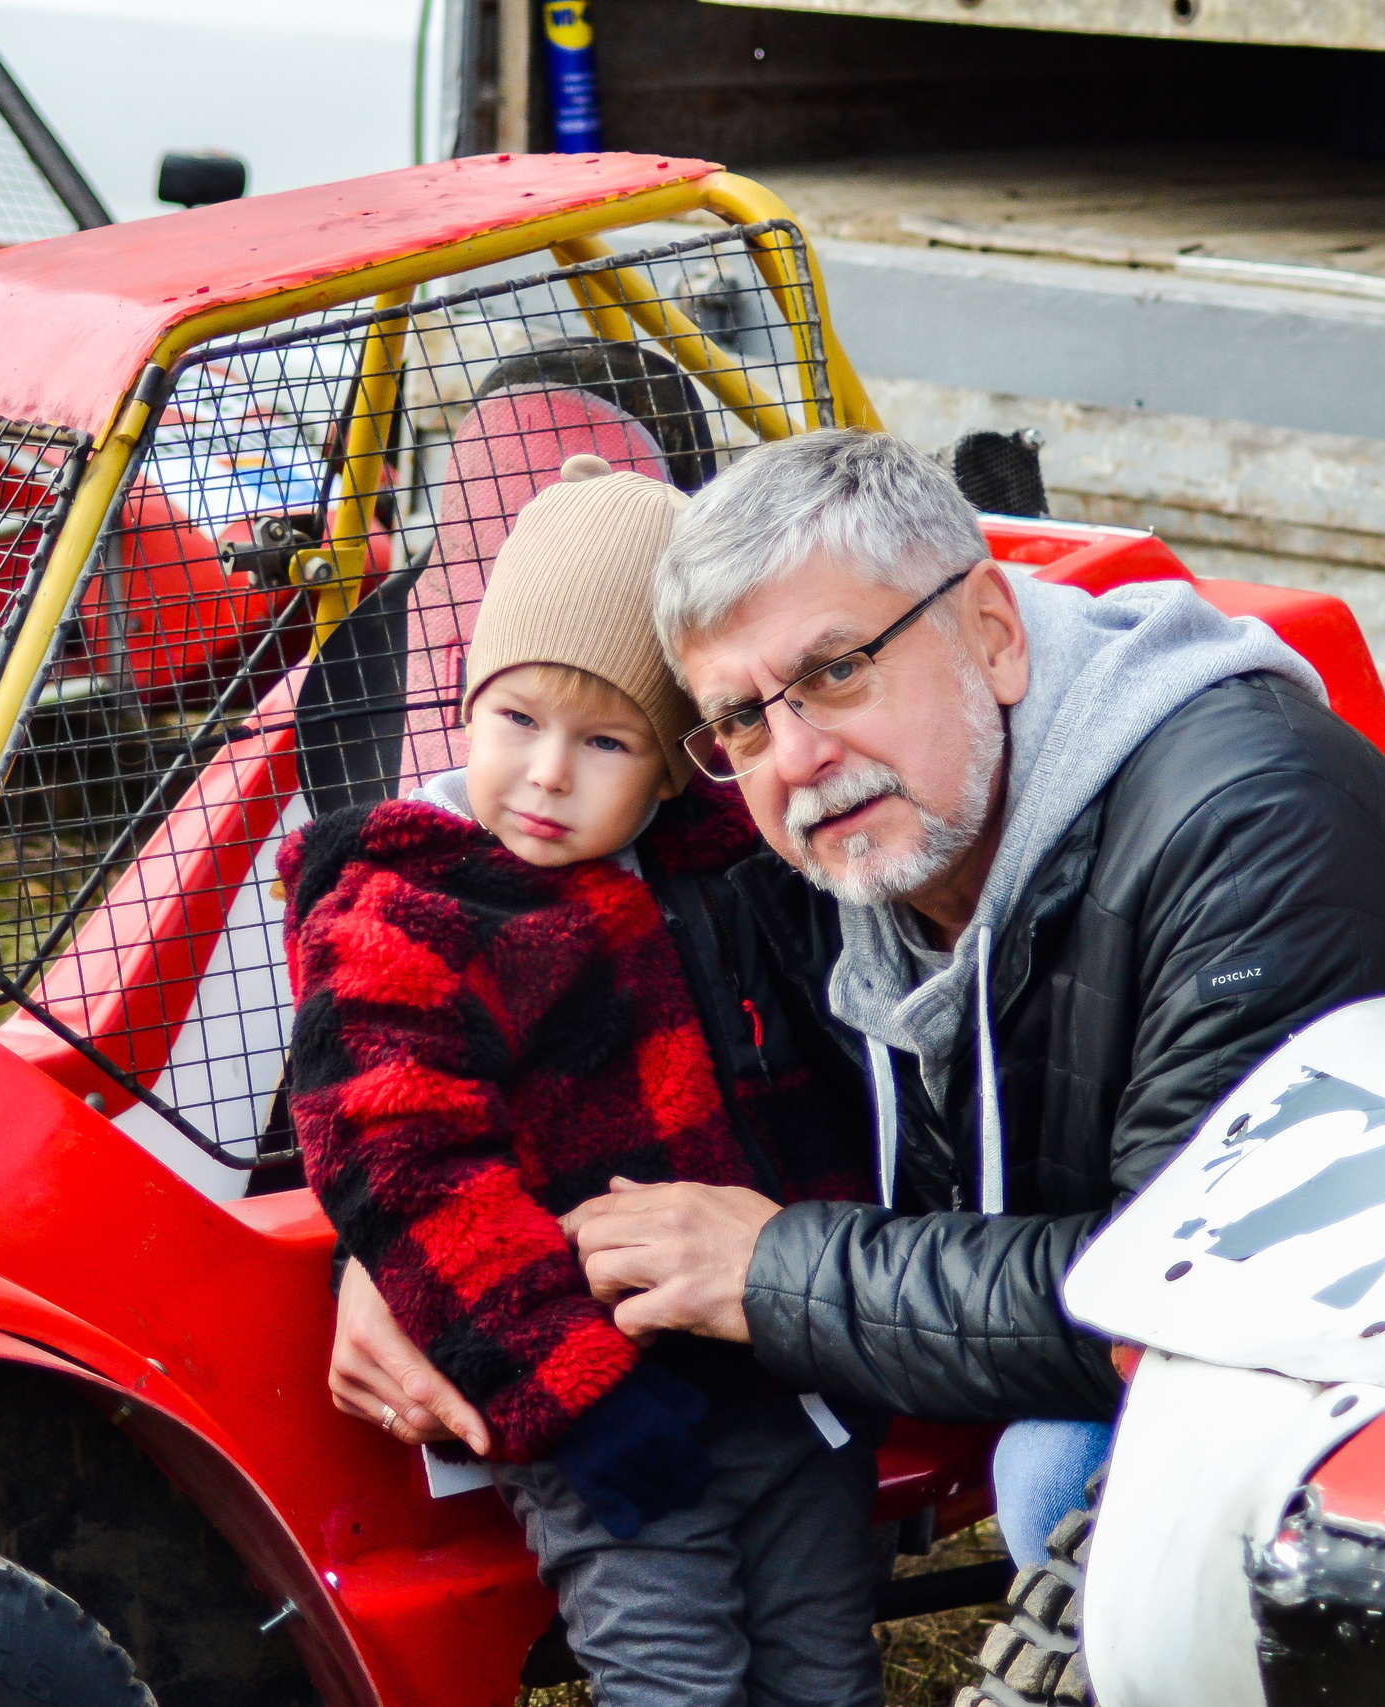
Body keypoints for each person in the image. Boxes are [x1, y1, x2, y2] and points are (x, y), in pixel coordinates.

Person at [327, 428, 1385, 1571]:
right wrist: (395, 1250)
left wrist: (774, 1268)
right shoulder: (849, 830)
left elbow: (1175, 1299)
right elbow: (556, 1007)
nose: (800, 755)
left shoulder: (1247, 831)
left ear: (993, 631)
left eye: (836, 669)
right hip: (1301, 1300)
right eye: (742, 719)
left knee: (1061, 1472)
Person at [280, 456, 884, 1707]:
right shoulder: (410, 918)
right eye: (516, 720)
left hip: (782, 1354)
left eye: (604, 738)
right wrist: (575, 1399)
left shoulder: (730, 865)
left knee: (824, 1668)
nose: (549, 773)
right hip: (596, 1397)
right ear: (462, 709)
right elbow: (409, 1169)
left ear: (674, 767)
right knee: (675, 1678)